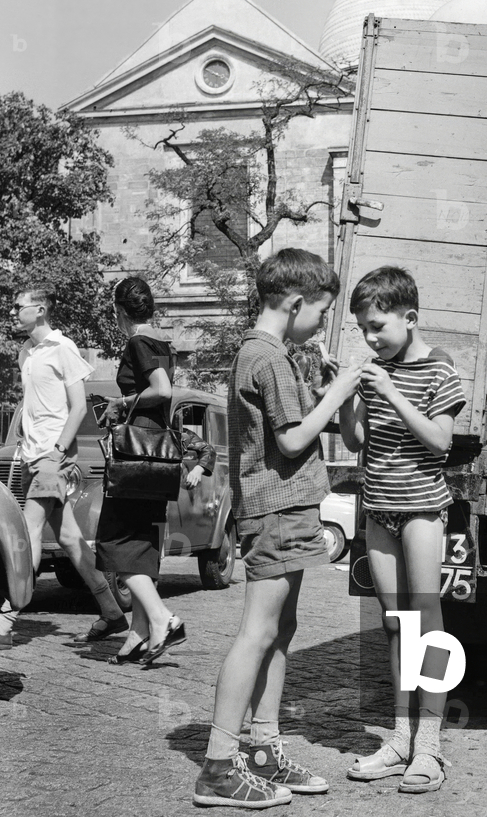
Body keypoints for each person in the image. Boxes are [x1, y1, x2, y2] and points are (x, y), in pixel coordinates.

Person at [193, 248, 362, 809]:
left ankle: (264, 750)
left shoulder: (268, 353)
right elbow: (291, 441)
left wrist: (324, 392)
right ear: (294, 303)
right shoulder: (266, 356)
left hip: (285, 507)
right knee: (258, 632)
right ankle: (218, 768)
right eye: (321, 311)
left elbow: (284, 427)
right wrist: (336, 395)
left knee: (281, 629)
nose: (321, 323)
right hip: (276, 509)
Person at [338, 266, 466, 795]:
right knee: (394, 624)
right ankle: (399, 737)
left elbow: (440, 442)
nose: (369, 338)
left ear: (409, 319)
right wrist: (347, 395)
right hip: (379, 508)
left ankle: (430, 747)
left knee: (427, 621)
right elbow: (355, 441)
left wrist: (388, 390)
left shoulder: (441, 371)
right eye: (363, 329)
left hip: (421, 511)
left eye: (377, 327)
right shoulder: (374, 370)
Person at [0, 286, 127, 651]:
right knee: (68, 539)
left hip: (54, 456)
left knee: (29, 528)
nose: (13, 311)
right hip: (33, 455)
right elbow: (35, 401)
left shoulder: (63, 348)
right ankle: (112, 612)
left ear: (40, 309)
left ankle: (4, 619)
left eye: (18, 306)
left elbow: (78, 407)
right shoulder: (26, 352)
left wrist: (57, 449)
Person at [98, 276, 186, 666]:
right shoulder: (163, 342)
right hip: (157, 456)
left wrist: (122, 403)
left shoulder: (137, 341)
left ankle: (163, 618)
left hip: (136, 455)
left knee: (114, 542)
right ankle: (139, 632)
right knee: (142, 542)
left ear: (119, 312)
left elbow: (162, 390)